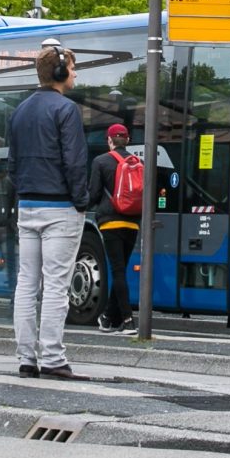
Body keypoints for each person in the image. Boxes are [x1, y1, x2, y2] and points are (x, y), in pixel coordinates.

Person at [7, 45, 95, 379]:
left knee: (26, 283)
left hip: (28, 205)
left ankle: (26, 358)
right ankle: (54, 358)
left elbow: (12, 164)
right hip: (60, 207)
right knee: (57, 284)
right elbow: (74, 161)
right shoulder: (66, 109)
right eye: (72, 68)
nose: (75, 73)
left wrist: (25, 191)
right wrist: (81, 200)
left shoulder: (20, 110)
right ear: (59, 72)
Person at [89, 123, 141, 333]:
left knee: (117, 272)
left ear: (109, 140)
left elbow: (93, 194)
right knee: (121, 270)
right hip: (132, 223)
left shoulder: (100, 161)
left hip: (110, 222)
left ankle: (128, 321)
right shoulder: (138, 163)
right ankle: (109, 319)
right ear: (127, 140)